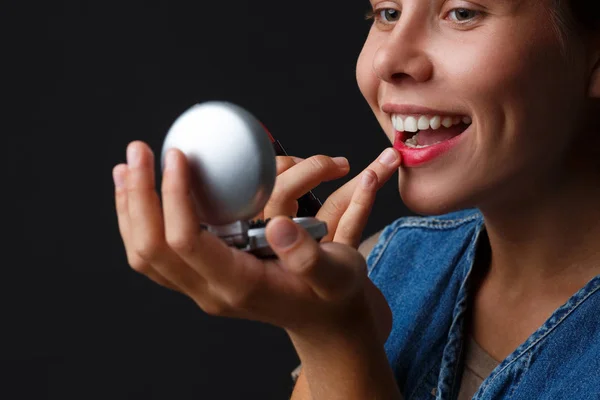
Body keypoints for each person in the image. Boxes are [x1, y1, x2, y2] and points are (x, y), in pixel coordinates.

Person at [112, 0, 600, 398]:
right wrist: (324, 327)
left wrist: (337, 339)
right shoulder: (382, 262)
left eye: (462, 12)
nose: (389, 61)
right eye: (387, 12)